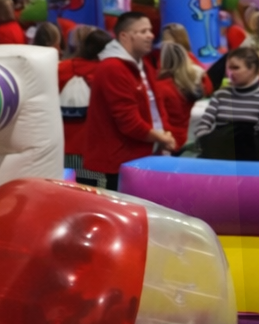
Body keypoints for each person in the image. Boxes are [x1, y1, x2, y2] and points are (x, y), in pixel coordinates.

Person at [84, 12, 176, 190]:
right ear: (124, 36)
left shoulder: (142, 64)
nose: (150, 35)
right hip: (115, 164)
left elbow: (156, 106)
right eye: (143, 31)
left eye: (150, 30)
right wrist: (162, 138)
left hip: (140, 158)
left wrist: (165, 134)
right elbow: (128, 121)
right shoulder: (112, 67)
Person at [193, 47, 259, 162]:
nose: (230, 73)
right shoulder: (220, 95)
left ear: (252, 69)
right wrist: (206, 141)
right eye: (229, 68)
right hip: (218, 154)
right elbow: (203, 125)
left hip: (250, 156)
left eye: (236, 68)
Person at [58, 27, 113, 185]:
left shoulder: (62, 68)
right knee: (92, 190)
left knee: (64, 190)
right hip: (95, 148)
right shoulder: (107, 71)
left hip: (64, 145)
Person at [155, 41, 205, 152]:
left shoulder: (161, 87)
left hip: (167, 141)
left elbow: (162, 120)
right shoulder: (190, 83)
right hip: (183, 136)